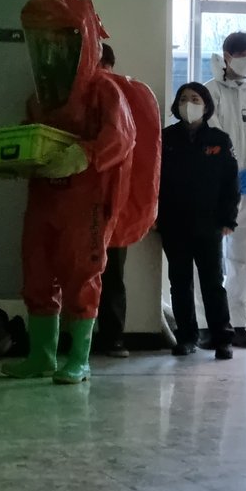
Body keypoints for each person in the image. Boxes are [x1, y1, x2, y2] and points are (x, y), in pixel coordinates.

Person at [1, 0, 135, 384]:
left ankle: (79, 358)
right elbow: (32, 136)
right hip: (44, 197)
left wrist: (84, 154)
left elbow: (122, 136)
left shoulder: (104, 91)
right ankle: (42, 355)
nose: (51, 49)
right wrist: (16, 161)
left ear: (82, 41)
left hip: (85, 202)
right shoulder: (40, 96)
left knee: (83, 275)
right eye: (44, 40)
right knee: (37, 272)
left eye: (60, 39)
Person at [157, 83, 239, 360]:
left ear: (206, 106)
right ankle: (187, 337)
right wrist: (154, 216)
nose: (189, 104)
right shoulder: (166, 138)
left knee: (212, 283)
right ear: (176, 105)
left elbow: (230, 184)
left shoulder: (219, 139)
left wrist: (228, 219)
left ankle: (222, 338)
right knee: (180, 283)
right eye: (183, 99)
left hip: (209, 224)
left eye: (195, 99)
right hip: (173, 223)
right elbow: (154, 181)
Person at [203, 32, 246, 350]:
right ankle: (208, 326)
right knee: (208, 258)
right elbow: (212, 134)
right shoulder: (209, 92)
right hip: (213, 190)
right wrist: (225, 174)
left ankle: (239, 325)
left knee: (243, 258)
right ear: (227, 55)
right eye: (242, 54)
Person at [96, 43, 161, 358]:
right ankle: (112, 339)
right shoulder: (132, 93)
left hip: (99, 200)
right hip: (117, 203)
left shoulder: (117, 93)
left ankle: (83, 339)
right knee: (111, 276)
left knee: (88, 274)